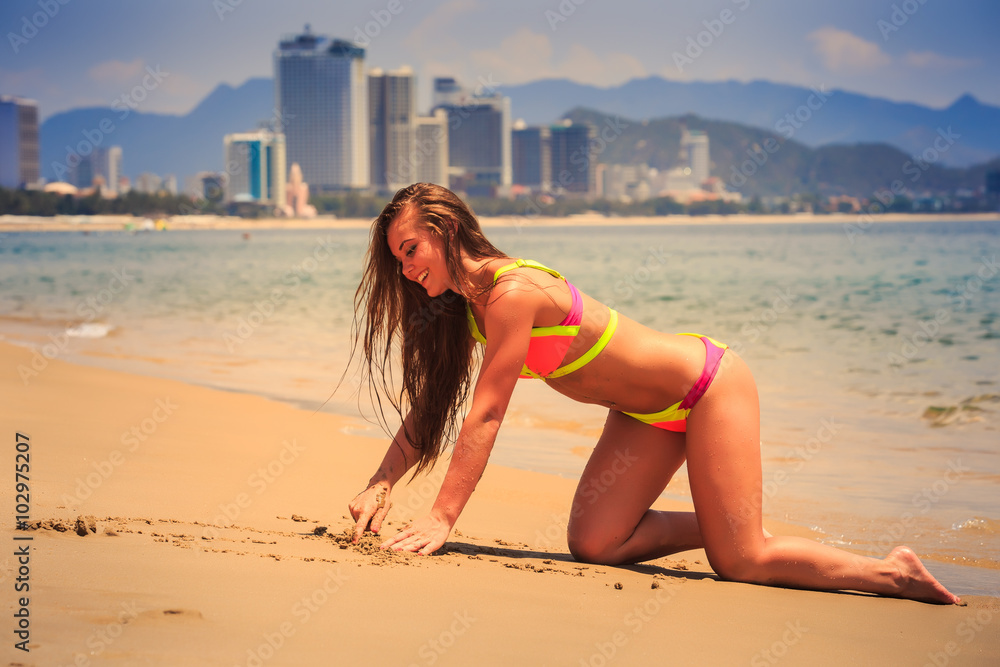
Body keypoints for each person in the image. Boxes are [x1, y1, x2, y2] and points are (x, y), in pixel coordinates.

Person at [347, 182, 959, 604]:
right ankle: (729, 520)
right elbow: (435, 409)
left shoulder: (512, 293)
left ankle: (892, 572)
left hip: (707, 387)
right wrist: (382, 480)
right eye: (397, 258)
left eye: (410, 250)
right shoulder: (467, 308)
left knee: (739, 563)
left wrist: (441, 518)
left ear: (446, 228)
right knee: (595, 543)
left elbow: (487, 413)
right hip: (643, 413)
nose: (405, 269)